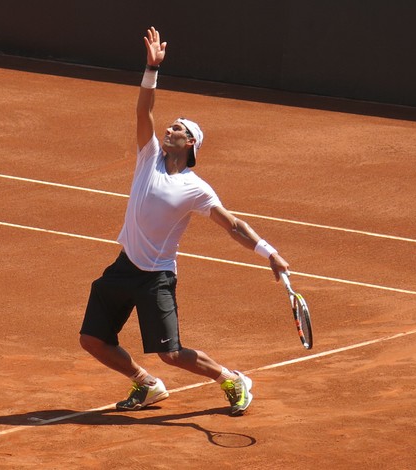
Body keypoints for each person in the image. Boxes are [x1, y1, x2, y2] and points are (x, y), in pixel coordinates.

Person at [79, 27, 289, 416]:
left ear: (191, 142)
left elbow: (233, 225)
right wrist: (151, 69)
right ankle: (147, 385)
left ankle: (232, 379)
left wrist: (269, 252)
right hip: (125, 266)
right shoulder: (149, 156)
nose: (169, 129)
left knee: (172, 353)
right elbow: (143, 110)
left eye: (178, 128)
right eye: (171, 126)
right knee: (92, 339)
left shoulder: (197, 189)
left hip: (157, 275)